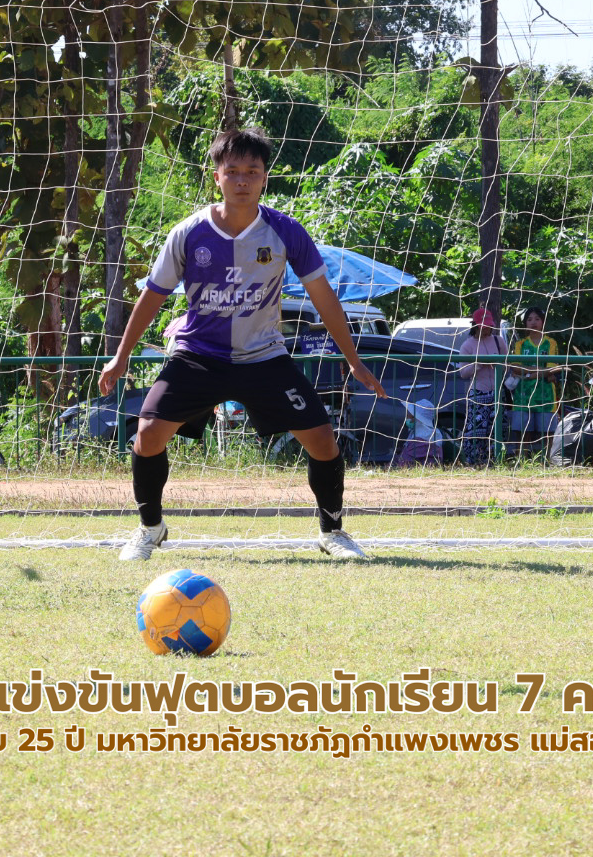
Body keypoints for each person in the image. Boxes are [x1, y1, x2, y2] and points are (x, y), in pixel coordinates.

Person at [99, 126, 387, 560]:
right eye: (232, 171)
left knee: (323, 440)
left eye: (252, 171)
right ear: (216, 176)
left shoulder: (285, 231)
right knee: (148, 434)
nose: (241, 180)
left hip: (264, 357)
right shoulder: (188, 232)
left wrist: (354, 360)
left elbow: (323, 296)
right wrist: (120, 357)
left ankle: (333, 533)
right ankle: (150, 529)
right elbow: (153, 296)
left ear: (265, 177)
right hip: (198, 356)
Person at [453, 307, 508, 466]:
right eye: (484, 326)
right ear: (476, 325)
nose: (487, 329)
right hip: (478, 393)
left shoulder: (499, 341)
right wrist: (479, 363)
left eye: (489, 326)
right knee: (476, 431)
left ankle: (496, 461)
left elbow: (507, 364)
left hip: (497, 391)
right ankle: (474, 462)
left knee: (498, 428)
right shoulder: (467, 345)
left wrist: (498, 364)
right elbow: (463, 372)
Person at [506, 306, 562, 446]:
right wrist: (539, 371)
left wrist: (529, 373)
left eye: (537, 319)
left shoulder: (551, 343)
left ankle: (548, 459)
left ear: (543, 322)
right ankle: (522, 458)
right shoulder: (520, 344)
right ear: (525, 323)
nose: (533, 322)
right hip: (523, 396)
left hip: (546, 395)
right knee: (522, 434)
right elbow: (516, 367)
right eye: (530, 319)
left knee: (548, 435)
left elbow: (552, 368)